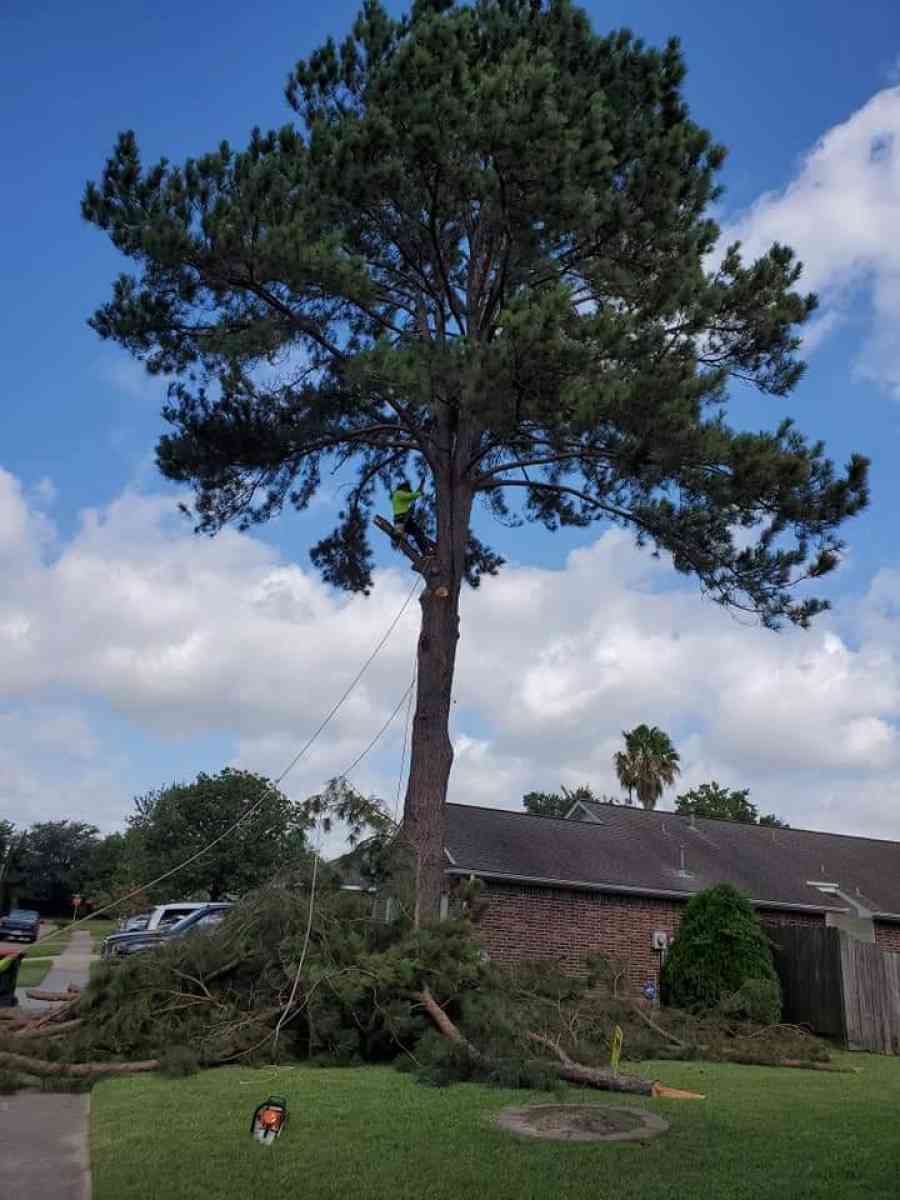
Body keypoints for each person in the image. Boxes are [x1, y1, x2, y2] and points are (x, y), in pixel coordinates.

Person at [391, 481, 432, 557]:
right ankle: (425, 552)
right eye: (407, 490)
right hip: (401, 518)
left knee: (418, 533)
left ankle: (425, 553)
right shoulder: (398, 493)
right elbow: (411, 496)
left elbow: (412, 496)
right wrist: (419, 494)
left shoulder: (401, 497)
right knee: (416, 533)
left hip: (402, 519)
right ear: (404, 489)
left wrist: (420, 487)